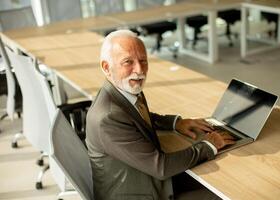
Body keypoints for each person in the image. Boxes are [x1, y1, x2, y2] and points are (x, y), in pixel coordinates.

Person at [86, 29, 235, 200]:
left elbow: (137, 116)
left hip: (143, 177)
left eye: (143, 60)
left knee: (211, 176)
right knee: (222, 193)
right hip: (138, 193)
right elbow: (161, 167)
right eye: (128, 62)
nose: (139, 70)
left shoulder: (122, 91)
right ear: (106, 67)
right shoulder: (108, 118)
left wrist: (175, 123)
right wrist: (209, 145)